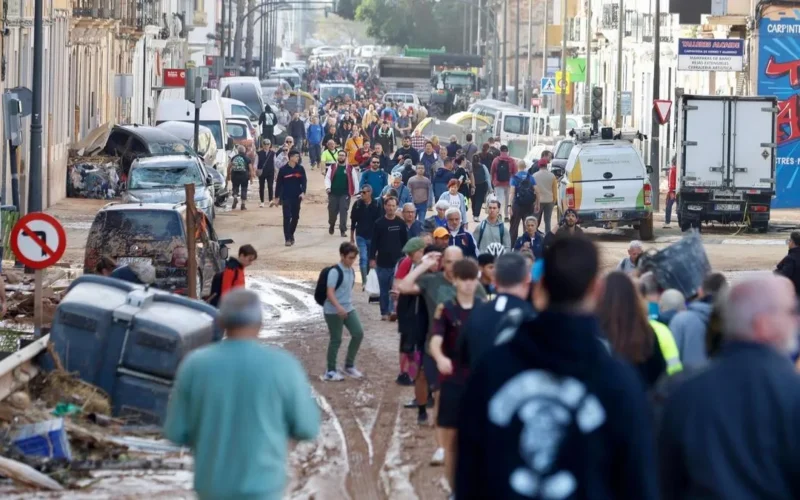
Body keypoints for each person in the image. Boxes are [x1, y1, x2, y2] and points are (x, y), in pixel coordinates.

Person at [456, 236, 659, 500]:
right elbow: (639, 485)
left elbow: (467, 477)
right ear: (596, 290)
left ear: (539, 289)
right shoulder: (619, 381)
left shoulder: (491, 369)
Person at [164, 289, 320, 500]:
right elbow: (307, 428)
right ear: (260, 324)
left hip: (212, 488)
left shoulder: (195, 365)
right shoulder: (283, 365)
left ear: (221, 323)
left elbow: (176, 432)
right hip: (264, 487)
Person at [658, 274, 800, 500]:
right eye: (791, 312)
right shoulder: (792, 394)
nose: (796, 321)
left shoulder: (682, 391)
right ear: (762, 324)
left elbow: (665, 481)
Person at [396, 246, 487, 463]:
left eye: (456, 262)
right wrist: (424, 266)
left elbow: (486, 313)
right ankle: (441, 446)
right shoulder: (432, 280)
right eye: (448, 262)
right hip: (434, 349)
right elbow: (403, 286)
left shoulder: (472, 285)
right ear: (442, 263)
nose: (452, 266)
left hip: (467, 352)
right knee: (440, 398)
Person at [430, 258, 482, 492]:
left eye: (472, 279)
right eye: (464, 279)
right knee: (452, 440)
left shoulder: (484, 309)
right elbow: (436, 340)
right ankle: (454, 490)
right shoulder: (447, 310)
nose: (469, 284)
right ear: (456, 281)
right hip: (453, 380)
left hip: (480, 381)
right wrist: (440, 358)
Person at [460, 252, 534, 370]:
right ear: (527, 279)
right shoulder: (533, 318)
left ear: (495, 281)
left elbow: (462, 357)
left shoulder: (475, 313)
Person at [598, 271, 667, 388]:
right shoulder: (646, 331)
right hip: (643, 398)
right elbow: (659, 373)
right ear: (633, 297)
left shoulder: (596, 333)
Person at [322, 242, 364, 381]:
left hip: (347, 308)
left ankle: (349, 365)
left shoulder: (351, 271)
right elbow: (330, 292)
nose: (352, 261)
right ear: (342, 256)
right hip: (333, 310)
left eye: (354, 258)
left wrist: (344, 306)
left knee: (358, 333)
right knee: (336, 339)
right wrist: (338, 307)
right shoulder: (335, 272)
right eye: (350, 258)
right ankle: (330, 370)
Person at [669, 272, 728, 368]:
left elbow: (671, 358)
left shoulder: (681, 320)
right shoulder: (737, 322)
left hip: (688, 380)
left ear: (700, 291)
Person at [394, 237, 429, 389]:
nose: (410, 254)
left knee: (416, 342)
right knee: (407, 342)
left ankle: (412, 373)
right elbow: (398, 283)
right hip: (408, 304)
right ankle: (405, 373)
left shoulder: (422, 264)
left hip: (416, 304)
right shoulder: (408, 262)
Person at [369, 196, 409, 320]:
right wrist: (372, 258)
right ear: (385, 206)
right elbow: (374, 242)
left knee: (395, 288)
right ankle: (384, 312)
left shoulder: (400, 223)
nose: (391, 208)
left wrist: (406, 257)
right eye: (389, 205)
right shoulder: (378, 223)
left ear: (396, 207)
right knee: (384, 289)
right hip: (382, 263)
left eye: (393, 206)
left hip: (397, 263)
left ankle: (392, 311)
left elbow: (405, 242)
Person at [271, 150, 307, 246]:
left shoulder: (300, 169)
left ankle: (291, 234)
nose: (298, 158)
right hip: (286, 197)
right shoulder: (283, 170)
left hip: (296, 196)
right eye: (296, 156)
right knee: (287, 217)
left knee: (295, 217)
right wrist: (276, 197)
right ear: (290, 157)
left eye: (298, 157)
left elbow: (304, 182)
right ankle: (287, 238)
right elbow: (278, 184)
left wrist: (303, 192)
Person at [349, 185, 381, 288]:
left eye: (365, 192)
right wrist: (351, 237)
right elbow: (353, 222)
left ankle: (371, 280)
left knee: (371, 258)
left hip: (373, 236)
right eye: (361, 192)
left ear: (370, 193)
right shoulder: (357, 204)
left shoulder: (376, 205)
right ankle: (364, 282)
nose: (362, 194)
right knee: (363, 257)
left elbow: (379, 222)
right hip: (360, 235)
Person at [325, 150, 359, 237]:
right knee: (332, 212)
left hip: (345, 194)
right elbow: (327, 178)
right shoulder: (332, 167)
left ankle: (342, 230)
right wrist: (328, 188)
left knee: (343, 211)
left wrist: (356, 193)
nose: (341, 157)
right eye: (339, 155)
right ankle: (331, 225)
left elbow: (355, 180)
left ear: (345, 157)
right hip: (333, 193)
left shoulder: (350, 168)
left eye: (343, 155)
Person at [508, 160, 540, 243]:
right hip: (529, 205)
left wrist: (509, 206)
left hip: (517, 205)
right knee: (528, 226)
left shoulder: (514, 177)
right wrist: (537, 204)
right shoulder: (530, 177)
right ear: (525, 167)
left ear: (517, 167)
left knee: (514, 227)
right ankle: (527, 244)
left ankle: (512, 245)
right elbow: (537, 191)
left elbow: (512, 192)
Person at [490, 145, 517, 222]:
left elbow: (492, 171)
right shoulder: (512, 160)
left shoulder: (496, 160)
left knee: (499, 199)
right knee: (508, 200)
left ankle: (499, 215)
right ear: (507, 151)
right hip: (509, 183)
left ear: (500, 151)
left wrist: (493, 182)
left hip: (498, 183)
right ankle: (506, 216)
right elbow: (515, 172)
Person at [531, 156, 557, 234]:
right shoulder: (552, 176)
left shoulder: (534, 176)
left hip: (537, 201)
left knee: (535, 219)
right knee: (547, 220)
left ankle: (533, 234)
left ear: (539, 165)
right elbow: (554, 190)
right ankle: (547, 236)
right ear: (546, 165)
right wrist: (554, 200)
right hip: (549, 200)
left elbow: (532, 189)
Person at [228, 145, 255, 211]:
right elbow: (251, 169)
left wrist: (228, 176)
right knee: (244, 189)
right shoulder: (247, 158)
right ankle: (243, 205)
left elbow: (229, 167)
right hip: (244, 176)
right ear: (244, 151)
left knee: (235, 187)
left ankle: (235, 197)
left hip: (235, 175)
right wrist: (251, 178)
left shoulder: (234, 157)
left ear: (238, 151)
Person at [470, 144, 493, 222]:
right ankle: (476, 215)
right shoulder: (483, 166)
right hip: (482, 185)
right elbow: (487, 177)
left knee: (473, 200)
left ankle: (474, 213)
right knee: (479, 200)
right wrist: (490, 188)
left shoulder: (470, 166)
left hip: (472, 185)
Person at [776, 230, 800, 296]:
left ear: (792, 242)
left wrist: (776, 272)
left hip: (794, 292)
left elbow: (784, 275)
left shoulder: (790, 258)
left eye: (789, 240)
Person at [257, 139, 276, 207]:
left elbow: (275, 163)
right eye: (265, 144)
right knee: (261, 186)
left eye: (268, 144)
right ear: (263, 145)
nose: (266, 145)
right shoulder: (259, 153)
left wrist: (276, 172)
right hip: (261, 172)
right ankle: (262, 202)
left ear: (270, 145)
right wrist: (255, 170)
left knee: (270, 186)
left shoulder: (273, 153)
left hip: (270, 172)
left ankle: (270, 201)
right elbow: (256, 162)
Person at [664, 155, 677, 228]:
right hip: (675, 190)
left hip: (673, 191)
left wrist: (671, 191)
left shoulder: (672, 170)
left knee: (668, 206)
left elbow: (671, 182)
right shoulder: (677, 170)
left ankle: (667, 221)